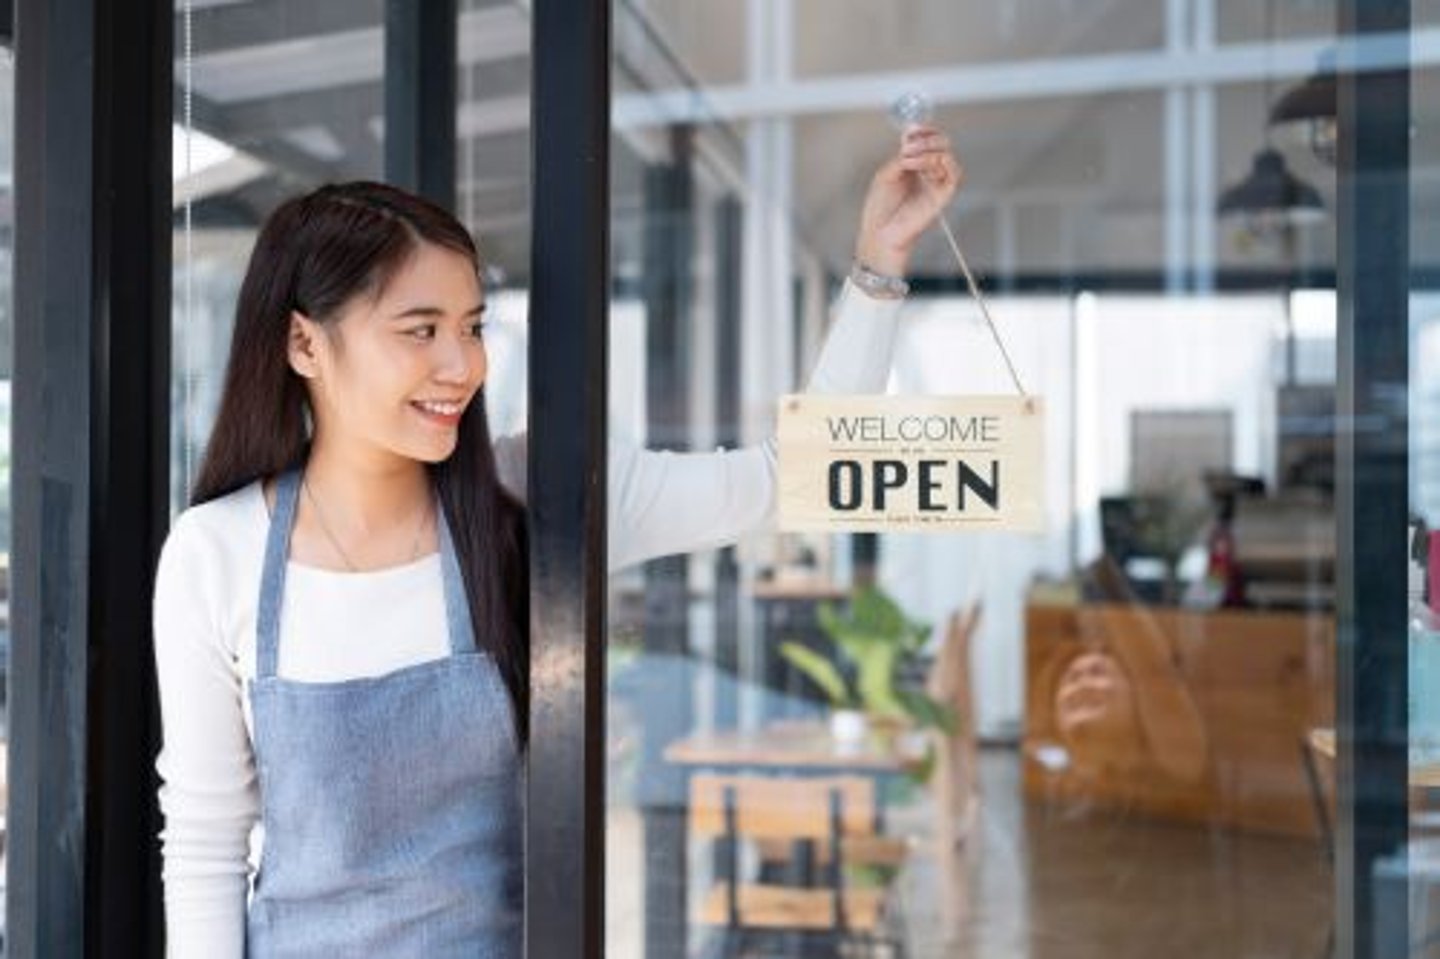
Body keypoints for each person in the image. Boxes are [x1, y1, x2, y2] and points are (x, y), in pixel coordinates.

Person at [152, 126, 962, 956]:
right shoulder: (215, 553)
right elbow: (206, 844)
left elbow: (790, 477)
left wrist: (878, 265)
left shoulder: (536, 496)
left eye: (471, 327)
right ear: (304, 343)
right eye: (420, 330)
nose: (462, 365)